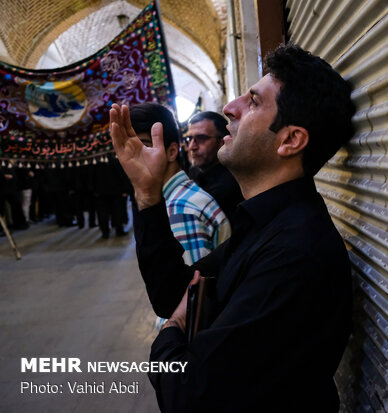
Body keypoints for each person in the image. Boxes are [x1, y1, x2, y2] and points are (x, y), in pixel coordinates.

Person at [110, 44, 356, 412]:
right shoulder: (262, 223)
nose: (229, 108)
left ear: (290, 140)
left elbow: (188, 395)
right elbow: (171, 295)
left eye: (253, 102)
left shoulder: (295, 252)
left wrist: (169, 331)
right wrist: (148, 194)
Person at [129, 102, 231, 264]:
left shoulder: (180, 209)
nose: (130, 160)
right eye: (125, 150)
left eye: (144, 148)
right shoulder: (177, 197)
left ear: (172, 152)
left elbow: (189, 286)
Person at [185, 111, 243, 220]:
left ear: (222, 142)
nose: (192, 146)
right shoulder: (194, 171)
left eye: (201, 138)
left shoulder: (231, 184)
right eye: (189, 139)